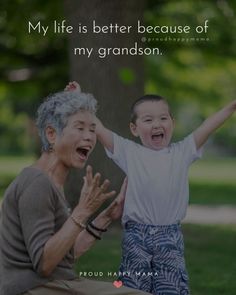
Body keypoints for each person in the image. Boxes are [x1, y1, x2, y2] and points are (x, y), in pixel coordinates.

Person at [66, 82, 236, 295]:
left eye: (163, 118)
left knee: (171, 287)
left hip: (170, 236)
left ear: (172, 123)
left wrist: (232, 107)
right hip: (137, 235)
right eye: (148, 120)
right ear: (134, 129)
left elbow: (208, 126)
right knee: (132, 287)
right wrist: (79, 99)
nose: (157, 124)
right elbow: (98, 128)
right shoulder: (129, 152)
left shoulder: (183, 152)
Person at [0, 88, 151, 295]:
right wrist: (82, 211)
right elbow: (45, 264)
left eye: (92, 130)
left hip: (55, 283)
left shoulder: (51, 183)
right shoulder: (37, 183)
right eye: (80, 128)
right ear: (51, 134)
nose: (89, 137)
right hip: (33, 288)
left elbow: (65, 256)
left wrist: (106, 217)